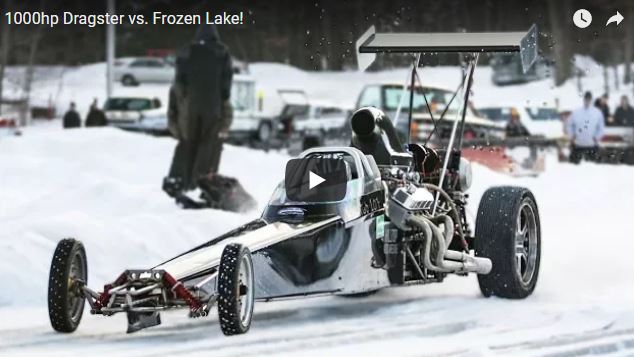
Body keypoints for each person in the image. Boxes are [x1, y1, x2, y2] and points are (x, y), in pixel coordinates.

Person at [164, 24, 233, 196]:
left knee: (189, 143)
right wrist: (222, 96)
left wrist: (185, 96)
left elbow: (179, 80)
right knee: (208, 144)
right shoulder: (222, 52)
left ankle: (184, 183)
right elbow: (227, 80)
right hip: (213, 106)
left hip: (191, 106)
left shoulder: (187, 51)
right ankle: (199, 183)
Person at [566, 91, 605, 164]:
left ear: (591, 100)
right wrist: (571, 136)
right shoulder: (576, 112)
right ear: (583, 99)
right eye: (586, 99)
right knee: (573, 168)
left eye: (589, 99)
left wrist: (596, 138)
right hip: (578, 145)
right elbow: (569, 125)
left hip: (592, 145)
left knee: (594, 168)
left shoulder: (597, 113)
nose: (587, 101)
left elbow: (601, 128)